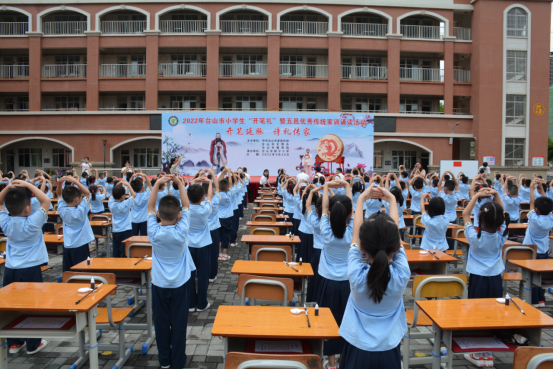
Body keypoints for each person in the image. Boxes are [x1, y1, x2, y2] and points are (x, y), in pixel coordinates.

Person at [339, 184, 410, 369]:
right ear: (395, 248)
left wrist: (361, 199)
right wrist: (392, 199)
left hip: (357, 351)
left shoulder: (355, 274)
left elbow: (355, 237)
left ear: (362, 249)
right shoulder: (402, 274)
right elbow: (395, 237)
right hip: (389, 351)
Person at [147, 174, 194, 369]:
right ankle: (178, 361)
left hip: (159, 284)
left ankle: (164, 360)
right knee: (179, 324)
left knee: (161, 323)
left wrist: (157, 184)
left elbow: (149, 208)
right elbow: (187, 207)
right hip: (179, 285)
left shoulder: (153, 232)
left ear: (159, 214)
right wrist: (181, 185)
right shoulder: (182, 231)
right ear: (179, 216)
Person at [0, 179, 51, 355]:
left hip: (10, 269)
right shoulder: (33, 222)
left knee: (11, 305)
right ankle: (33, 344)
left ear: (7, 207)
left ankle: (14, 343)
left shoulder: (5, 223)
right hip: (30, 268)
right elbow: (46, 201)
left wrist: (8, 187)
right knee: (33, 305)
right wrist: (29, 185)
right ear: (28, 208)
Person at [462, 187, 509, 368]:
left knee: (476, 313)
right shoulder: (502, 235)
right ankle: (488, 354)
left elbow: (466, 214)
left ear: (480, 221)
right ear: (499, 222)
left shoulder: (474, 237)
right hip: (496, 279)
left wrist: (476, 195)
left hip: (478, 279)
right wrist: (496, 194)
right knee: (492, 314)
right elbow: (502, 214)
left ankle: (477, 352)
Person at [318, 179, 353, 369]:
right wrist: (347, 186)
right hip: (348, 282)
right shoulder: (353, 231)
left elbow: (323, 208)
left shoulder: (325, 230)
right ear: (349, 214)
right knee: (346, 320)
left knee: (328, 321)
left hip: (328, 282)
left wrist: (326, 186)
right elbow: (350, 208)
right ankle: (342, 361)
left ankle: (330, 363)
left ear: (330, 213)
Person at [523, 178, 553, 308]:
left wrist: (531, 188)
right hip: (543, 251)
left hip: (531, 251)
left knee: (531, 277)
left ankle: (533, 300)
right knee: (540, 277)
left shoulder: (534, 219)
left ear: (535, 209)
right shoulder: (550, 219)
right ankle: (541, 300)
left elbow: (531, 202)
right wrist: (541, 188)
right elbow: (548, 205)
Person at [186, 174, 213, 312]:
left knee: (189, 274)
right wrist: (209, 182)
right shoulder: (205, 209)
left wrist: (194, 182)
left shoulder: (185, 210)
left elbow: (186, 196)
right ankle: (201, 304)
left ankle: (190, 304)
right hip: (203, 245)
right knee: (203, 275)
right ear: (202, 198)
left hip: (189, 245)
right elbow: (210, 196)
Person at [56, 176, 95, 272]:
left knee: (68, 272)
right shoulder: (80, 210)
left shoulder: (61, 210)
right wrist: (75, 181)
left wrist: (60, 183)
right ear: (77, 199)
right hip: (81, 245)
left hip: (68, 245)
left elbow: (59, 195)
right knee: (82, 271)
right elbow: (87, 193)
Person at [109, 180, 136, 257]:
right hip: (125, 229)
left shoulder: (111, 204)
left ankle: (116, 265)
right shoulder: (125, 203)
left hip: (115, 230)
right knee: (124, 250)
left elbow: (111, 196)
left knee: (116, 249)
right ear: (123, 196)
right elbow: (134, 195)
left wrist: (116, 186)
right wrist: (128, 185)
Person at [203, 170, 221, 283]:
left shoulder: (198, 201)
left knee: (204, 254)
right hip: (213, 230)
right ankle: (212, 275)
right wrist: (212, 174)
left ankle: (202, 273)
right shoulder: (214, 200)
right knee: (214, 254)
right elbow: (218, 187)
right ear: (212, 189)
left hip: (202, 231)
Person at [306, 188, 322, 303]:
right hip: (327, 252)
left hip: (317, 252)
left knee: (315, 277)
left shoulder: (316, 223)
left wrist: (311, 192)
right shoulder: (333, 224)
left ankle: (313, 299)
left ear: (316, 209)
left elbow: (307, 206)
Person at [217, 168, 234, 260]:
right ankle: (225, 254)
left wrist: (222, 173)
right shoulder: (229, 195)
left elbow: (217, 183)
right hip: (227, 217)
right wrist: (228, 173)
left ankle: (219, 253)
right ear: (227, 188)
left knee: (219, 235)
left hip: (218, 218)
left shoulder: (217, 195)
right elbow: (230, 184)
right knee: (226, 235)